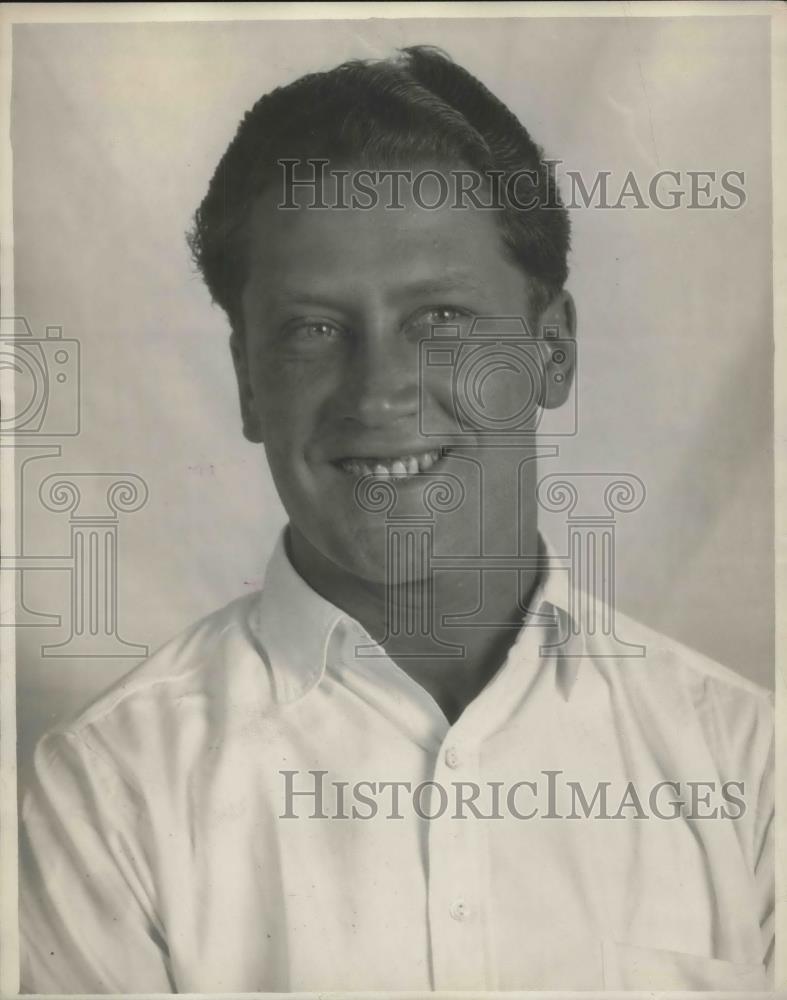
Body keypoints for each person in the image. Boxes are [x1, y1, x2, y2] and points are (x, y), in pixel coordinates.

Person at [20, 46, 773, 992]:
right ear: (250, 381)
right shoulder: (107, 796)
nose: (378, 393)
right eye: (312, 330)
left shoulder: (751, 771)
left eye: (441, 319)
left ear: (551, 350)